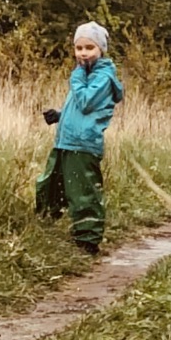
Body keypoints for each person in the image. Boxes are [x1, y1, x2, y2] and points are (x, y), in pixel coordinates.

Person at [36, 21, 124, 253]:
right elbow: (79, 107)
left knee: (84, 193)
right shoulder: (86, 74)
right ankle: (46, 228)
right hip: (66, 140)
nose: (83, 53)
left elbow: (86, 102)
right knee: (50, 186)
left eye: (89, 48)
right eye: (79, 48)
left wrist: (76, 77)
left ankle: (88, 240)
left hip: (83, 144)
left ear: (101, 50)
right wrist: (60, 115)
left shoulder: (102, 77)